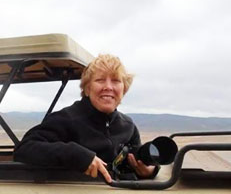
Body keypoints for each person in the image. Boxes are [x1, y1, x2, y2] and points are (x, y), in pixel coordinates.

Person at [14, 54, 156, 183]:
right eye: (100, 80)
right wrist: (76, 155)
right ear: (87, 89)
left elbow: (137, 164)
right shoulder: (66, 119)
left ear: (123, 89)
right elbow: (24, 149)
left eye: (116, 81)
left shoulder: (128, 126)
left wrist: (148, 171)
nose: (108, 87)